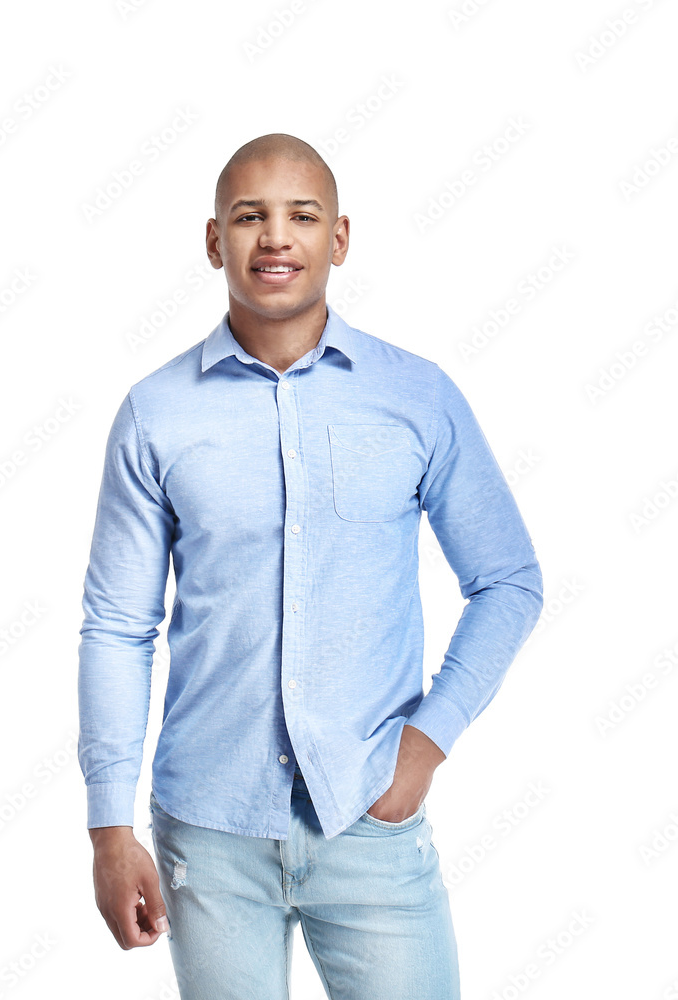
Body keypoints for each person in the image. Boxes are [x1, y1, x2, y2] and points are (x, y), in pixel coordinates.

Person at [77, 132, 543, 999]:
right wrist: (110, 828)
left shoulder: (417, 396)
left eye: (303, 214)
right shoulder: (155, 415)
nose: (276, 237)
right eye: (249, 216)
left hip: (370, 825)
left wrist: (426, 741)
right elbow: (116, 626)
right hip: (206, 839)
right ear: (215, 240)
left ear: (340, 238)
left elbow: (508, 581)